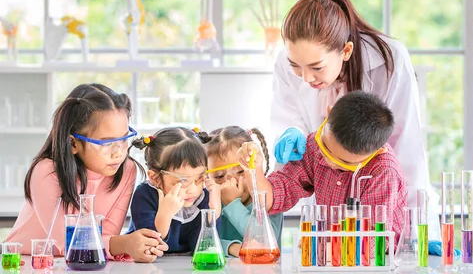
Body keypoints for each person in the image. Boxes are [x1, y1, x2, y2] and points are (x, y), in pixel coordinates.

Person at [271, 0, 440, 238]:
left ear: (346, 50)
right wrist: (291, 133)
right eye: (296, 66)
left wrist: (420, 234)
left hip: (379, 207)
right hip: (327, 214)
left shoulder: (390, 60)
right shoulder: (287, 64)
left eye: (316, 67)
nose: (306, 77)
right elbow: (287, 120)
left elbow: (407, 151)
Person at [5, 83, 168, 262]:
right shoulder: (46, 172)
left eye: (123, 139)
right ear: (73, 143)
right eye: (106, 143)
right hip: (26, 262)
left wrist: (137, 244)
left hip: (87, 262)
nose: (118, 152)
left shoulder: (126, 169)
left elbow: (104, 239)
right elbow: (68, 243)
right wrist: (125, 244)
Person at [239, 91, 407, 241]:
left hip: (376, 262)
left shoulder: (383, 172)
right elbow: (271, 198)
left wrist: (318, 247)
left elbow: (371, 242)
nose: (329, 162)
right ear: (328, 114)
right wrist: (254, 169)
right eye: (325, 147)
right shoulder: (314, 145)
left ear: (377, 151)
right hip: (331, 257)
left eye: (344, 163)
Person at [128, 127, 221, 254]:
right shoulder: (144, 196)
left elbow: (201, 249)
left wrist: (213, 213)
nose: (193, 189)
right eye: (183, 181)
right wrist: (165, 215)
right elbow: (151, 249)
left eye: (200, 178)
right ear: (155, 178)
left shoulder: (205, 197)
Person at [202, 126, 283, 257]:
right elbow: (200, 242)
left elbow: (266, 241)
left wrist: (232, 203)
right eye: (219, 177)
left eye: (240, 171)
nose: (231, 182)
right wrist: (233, 248)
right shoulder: (207, 201)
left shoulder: (269, 197)